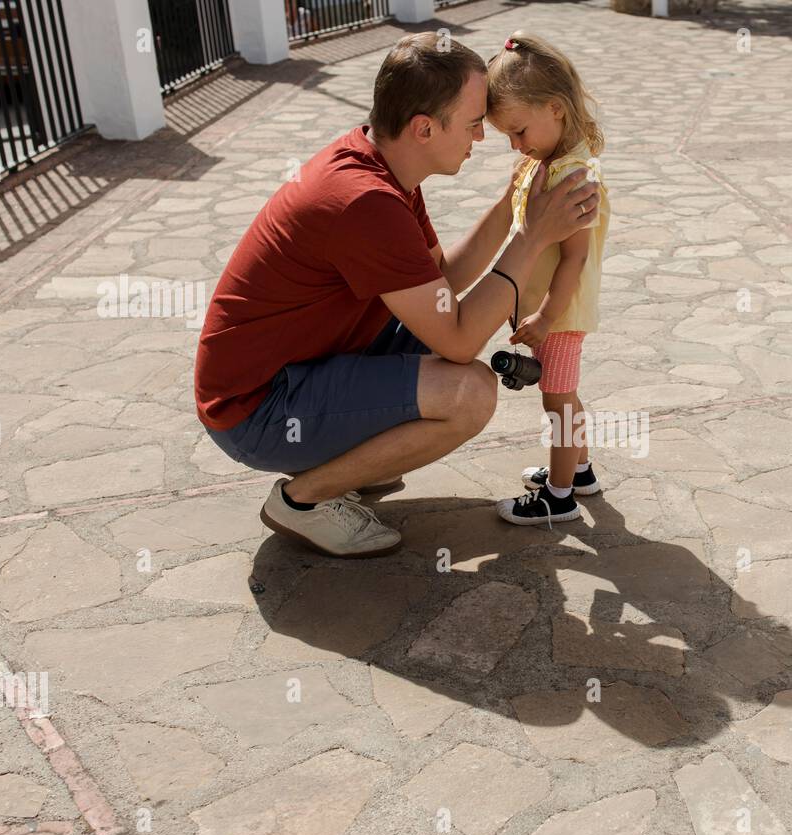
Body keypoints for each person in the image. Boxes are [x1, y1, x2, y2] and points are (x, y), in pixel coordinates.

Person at [193, 32, 600, 558]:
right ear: (424, 128)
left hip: (294, 373)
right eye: (475, 122)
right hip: (257, 411)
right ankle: (303, 501)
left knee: (442, 349)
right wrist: (531, 239)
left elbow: (443, 283)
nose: (483, 137)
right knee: (470, 392)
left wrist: (513, 204)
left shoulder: (382, 168)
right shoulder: (365, 202)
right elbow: (458, 340)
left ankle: (345, 464)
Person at [485, 31, 611, 527]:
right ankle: (580, 471)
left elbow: (574, 258)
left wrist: (543, 315)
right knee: (566, 392)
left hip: (559, 313)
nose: (516, 145)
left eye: (519, 131)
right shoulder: (549, 162)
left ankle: (558, 499)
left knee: (556, 402)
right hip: (552, 312)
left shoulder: (571, 176)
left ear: (555, 109)